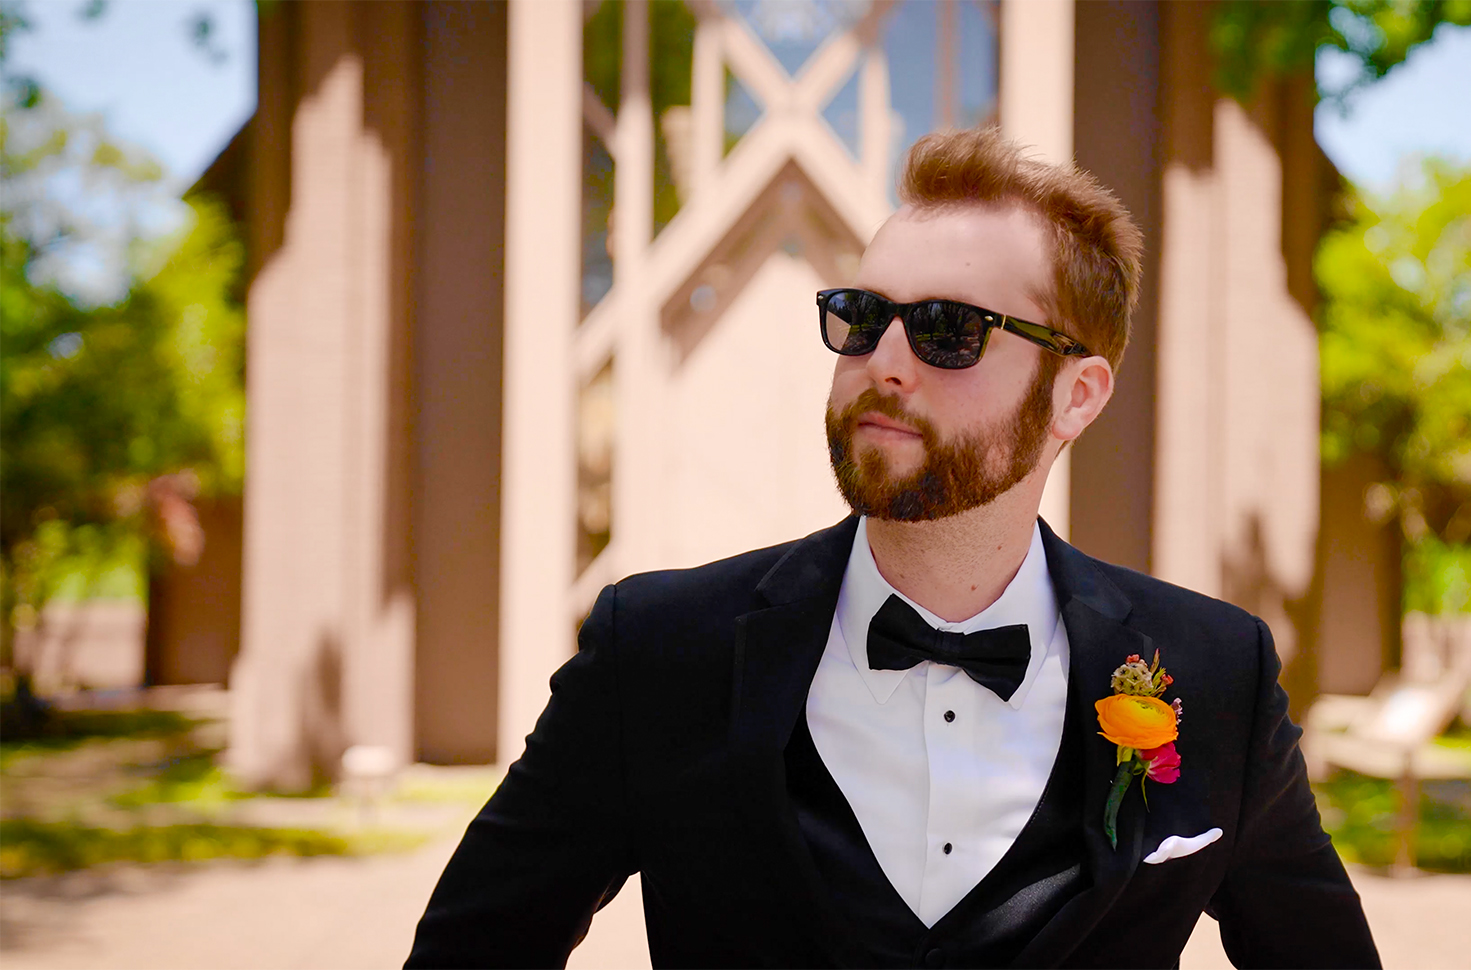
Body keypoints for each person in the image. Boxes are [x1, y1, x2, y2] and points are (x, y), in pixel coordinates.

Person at [406, 127, 1380, 969]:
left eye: (947, 330)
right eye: (862, 318)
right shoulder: (656, 649)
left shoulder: (1213, 674)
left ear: (1075, 396)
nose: (882, 363)